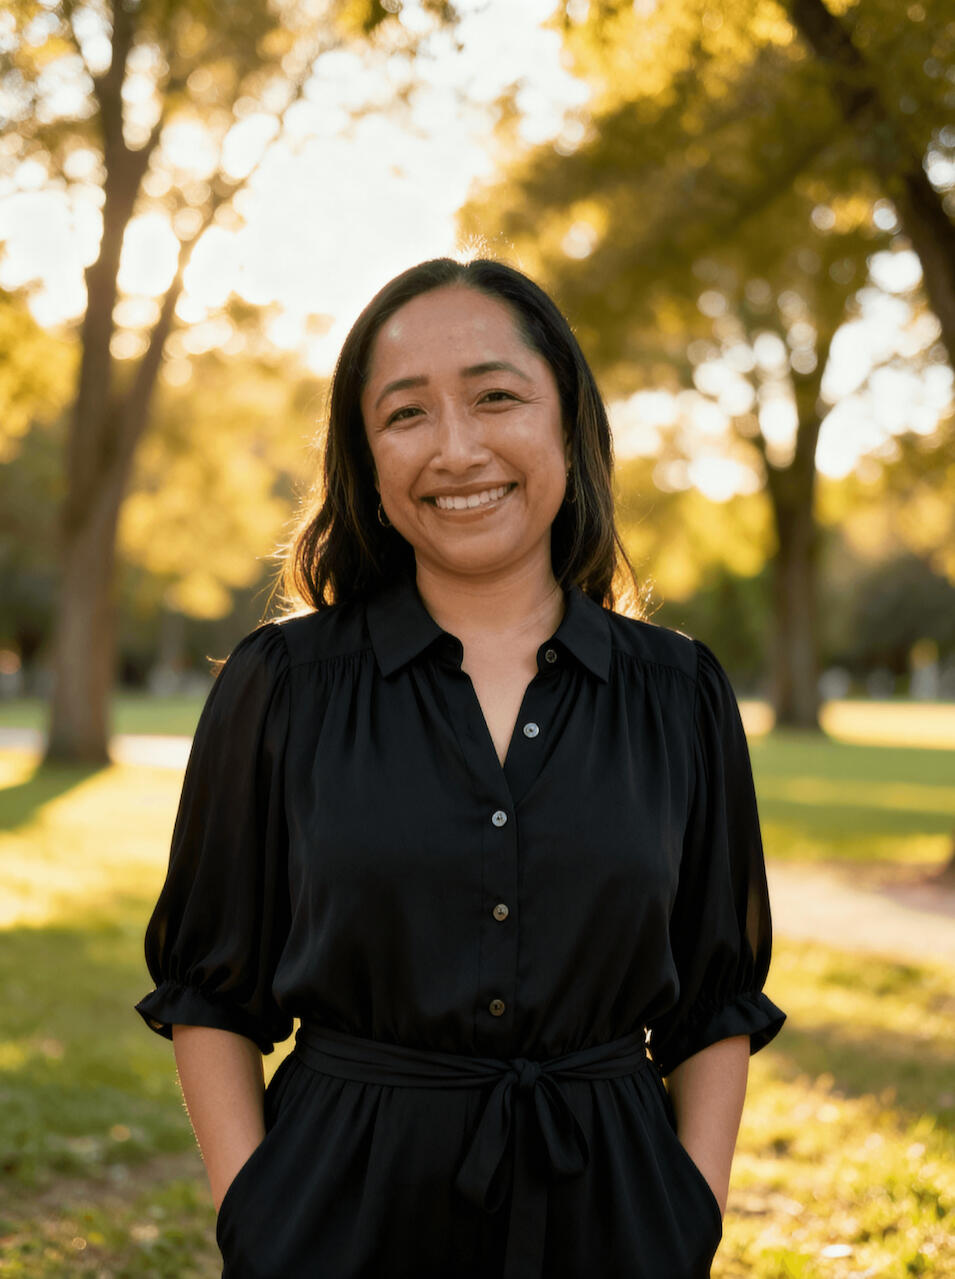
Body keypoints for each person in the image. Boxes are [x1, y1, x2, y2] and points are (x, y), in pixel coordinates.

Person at [134, 257, 785, 1279]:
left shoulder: (679, 693)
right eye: (405, 415)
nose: (456, 447)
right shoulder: (284, 685)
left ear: (566, 419)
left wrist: (684, 1216)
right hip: (337, 1223)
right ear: (367, 456)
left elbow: (712, 999)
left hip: (613, 1224)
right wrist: (255, 1215)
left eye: (495, 396)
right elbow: (212, 989)